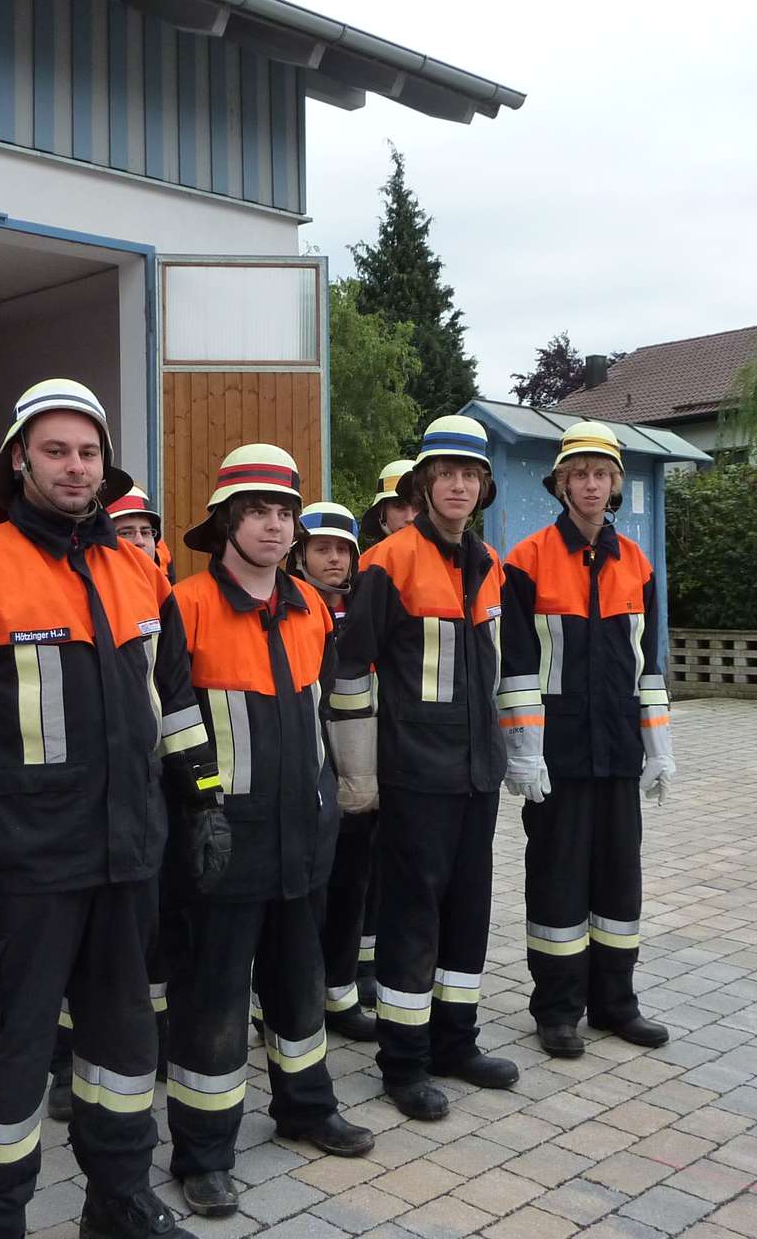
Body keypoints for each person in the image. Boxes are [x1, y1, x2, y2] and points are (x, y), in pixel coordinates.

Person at [0, 379, 225, 1239]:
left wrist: (204, 805)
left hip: (127, 861)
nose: (75, 466)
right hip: (21, 868)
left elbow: (177, 705)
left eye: (88, 452)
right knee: (5, 1057)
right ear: (20, 460)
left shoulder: (141, 572)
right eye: (55, 451)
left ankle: (118, 1203)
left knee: (123, 1050)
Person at [163, 448, 373, 1218]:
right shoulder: (185, 607)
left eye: (284, 512)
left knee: (299, 982)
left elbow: (324, 714)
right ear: (226, 522)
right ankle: (202, 1153)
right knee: (214, 1001)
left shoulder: (310, 606)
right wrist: (198, 811)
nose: (273, 525)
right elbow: (169, 721)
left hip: (302, 835)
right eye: (256, 511)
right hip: (221, 841)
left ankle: (306, 1108)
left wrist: (339, 797)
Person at [330, 416, 520, 1122]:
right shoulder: (388, 562)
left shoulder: (489, 564)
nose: (459, 486)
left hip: (477, 773)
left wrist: (512, 753)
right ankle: (403, 1063)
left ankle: (455, 1043)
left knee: (468, 913)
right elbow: (350, 671)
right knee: (411, 919)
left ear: (483, 487)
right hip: (414, 773)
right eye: (446, 475)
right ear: (424, 484)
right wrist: (360, 773)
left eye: (470, 475)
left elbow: (496, 671)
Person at [499, 422, 677, 1058]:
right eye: (580, 475)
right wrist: (524, 753)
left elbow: (646, 666)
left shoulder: (637, 563)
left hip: (619, 753)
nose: (591, 485)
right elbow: (517, 668)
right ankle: (556, 1011)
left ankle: (615, 1004)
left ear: (615, 485)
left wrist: (658, 750)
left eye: (602, 474)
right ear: (561, 485)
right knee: (557, 882)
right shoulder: (526, 561)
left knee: (619, 883)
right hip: (559, 756)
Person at [46, 482, 176, 1122]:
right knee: (82, 953)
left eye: (147, 531)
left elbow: (177, 697)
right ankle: (67, 1064)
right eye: (127, 532)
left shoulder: (162, 595)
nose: (139, 541)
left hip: (153, 799)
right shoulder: (72, 588)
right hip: (81, 808)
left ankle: (146, 1045)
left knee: (148, 944)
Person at [288, 503, 377, 1042]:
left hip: (359, 782)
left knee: (350, 892)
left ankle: (340, 996)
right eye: (322, 548)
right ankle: (288, 1003)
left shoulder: (365, 610)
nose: (334, 559)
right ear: (300, 555)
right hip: (304, 780)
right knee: (303, 903)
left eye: (343, 550)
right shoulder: (285, 608)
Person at [351, 460, 417, 1006]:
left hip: (404, 732)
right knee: (364, 859)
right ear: (381, 514)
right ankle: (362, 963)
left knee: (395, 859)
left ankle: (381, 959)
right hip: (365, 730)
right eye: (399, 506)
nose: (409, 515)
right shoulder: (370, 566)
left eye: (414, 505)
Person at [109, 485, 175, 580]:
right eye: (126, 533)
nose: (140, 541)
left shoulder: (164, 582)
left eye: (145, 533)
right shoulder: (91, 585)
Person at [357, 458, 418, 548]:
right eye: (399, 506)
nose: (410, 518)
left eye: (418, 506)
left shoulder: (440, 555)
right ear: (381, 512)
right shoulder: (371, 557)